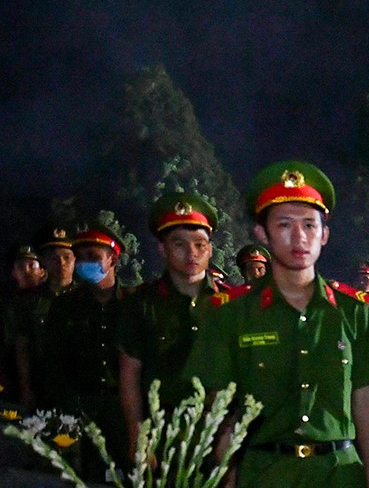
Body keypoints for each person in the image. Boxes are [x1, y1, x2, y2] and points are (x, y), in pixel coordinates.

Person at [185, 161, 369, 488]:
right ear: (262, 233)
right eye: (284, 225)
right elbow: (221, 414)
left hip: (338, 479)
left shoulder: (353, 311)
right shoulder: (231, 315)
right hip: (265, 478)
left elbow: (366, 399)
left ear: (325, 234)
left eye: (309, 225)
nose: (299, 237)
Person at [117, 193, 219, 450]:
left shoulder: (230, 303)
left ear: (210, 249)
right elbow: (130, 373)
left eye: (200, 244)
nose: (191, 253)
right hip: (161, 433)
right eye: (179, 244)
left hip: (216, 433)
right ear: (162, 249)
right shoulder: (141, 304)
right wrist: (137, 434)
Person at [44, 226, 128, 456]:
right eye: (79, 257)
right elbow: (53, 362)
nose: (84, 263)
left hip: (122, 412)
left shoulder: (133, 305)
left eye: (92, 256)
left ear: (112, 259)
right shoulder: (64, 306)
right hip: (76, 408)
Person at [4, 245, 46, 404]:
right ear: (13, 272)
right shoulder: (8, 304)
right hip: (11, 376)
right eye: (21, 266)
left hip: (42, 375)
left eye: (31, 266)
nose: (27, 271)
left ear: (42, 271)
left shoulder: (50, 302)